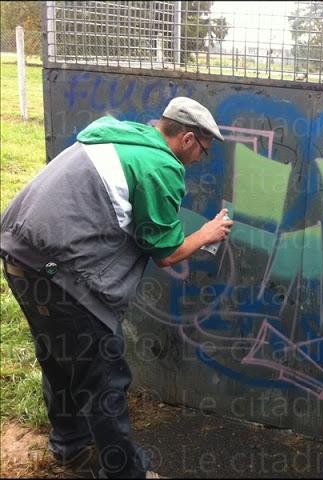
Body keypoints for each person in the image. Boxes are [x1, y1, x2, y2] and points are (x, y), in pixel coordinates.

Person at [0, 97, 233, 478]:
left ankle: (70, 448)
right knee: (104, 379)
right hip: (59, 272)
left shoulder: (119, 136)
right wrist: (207, 233)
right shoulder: (160, 164)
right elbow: (167, 252)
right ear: (188, 139)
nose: (198, 160)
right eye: (203, 151)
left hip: (17, 253)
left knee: (59, 358)